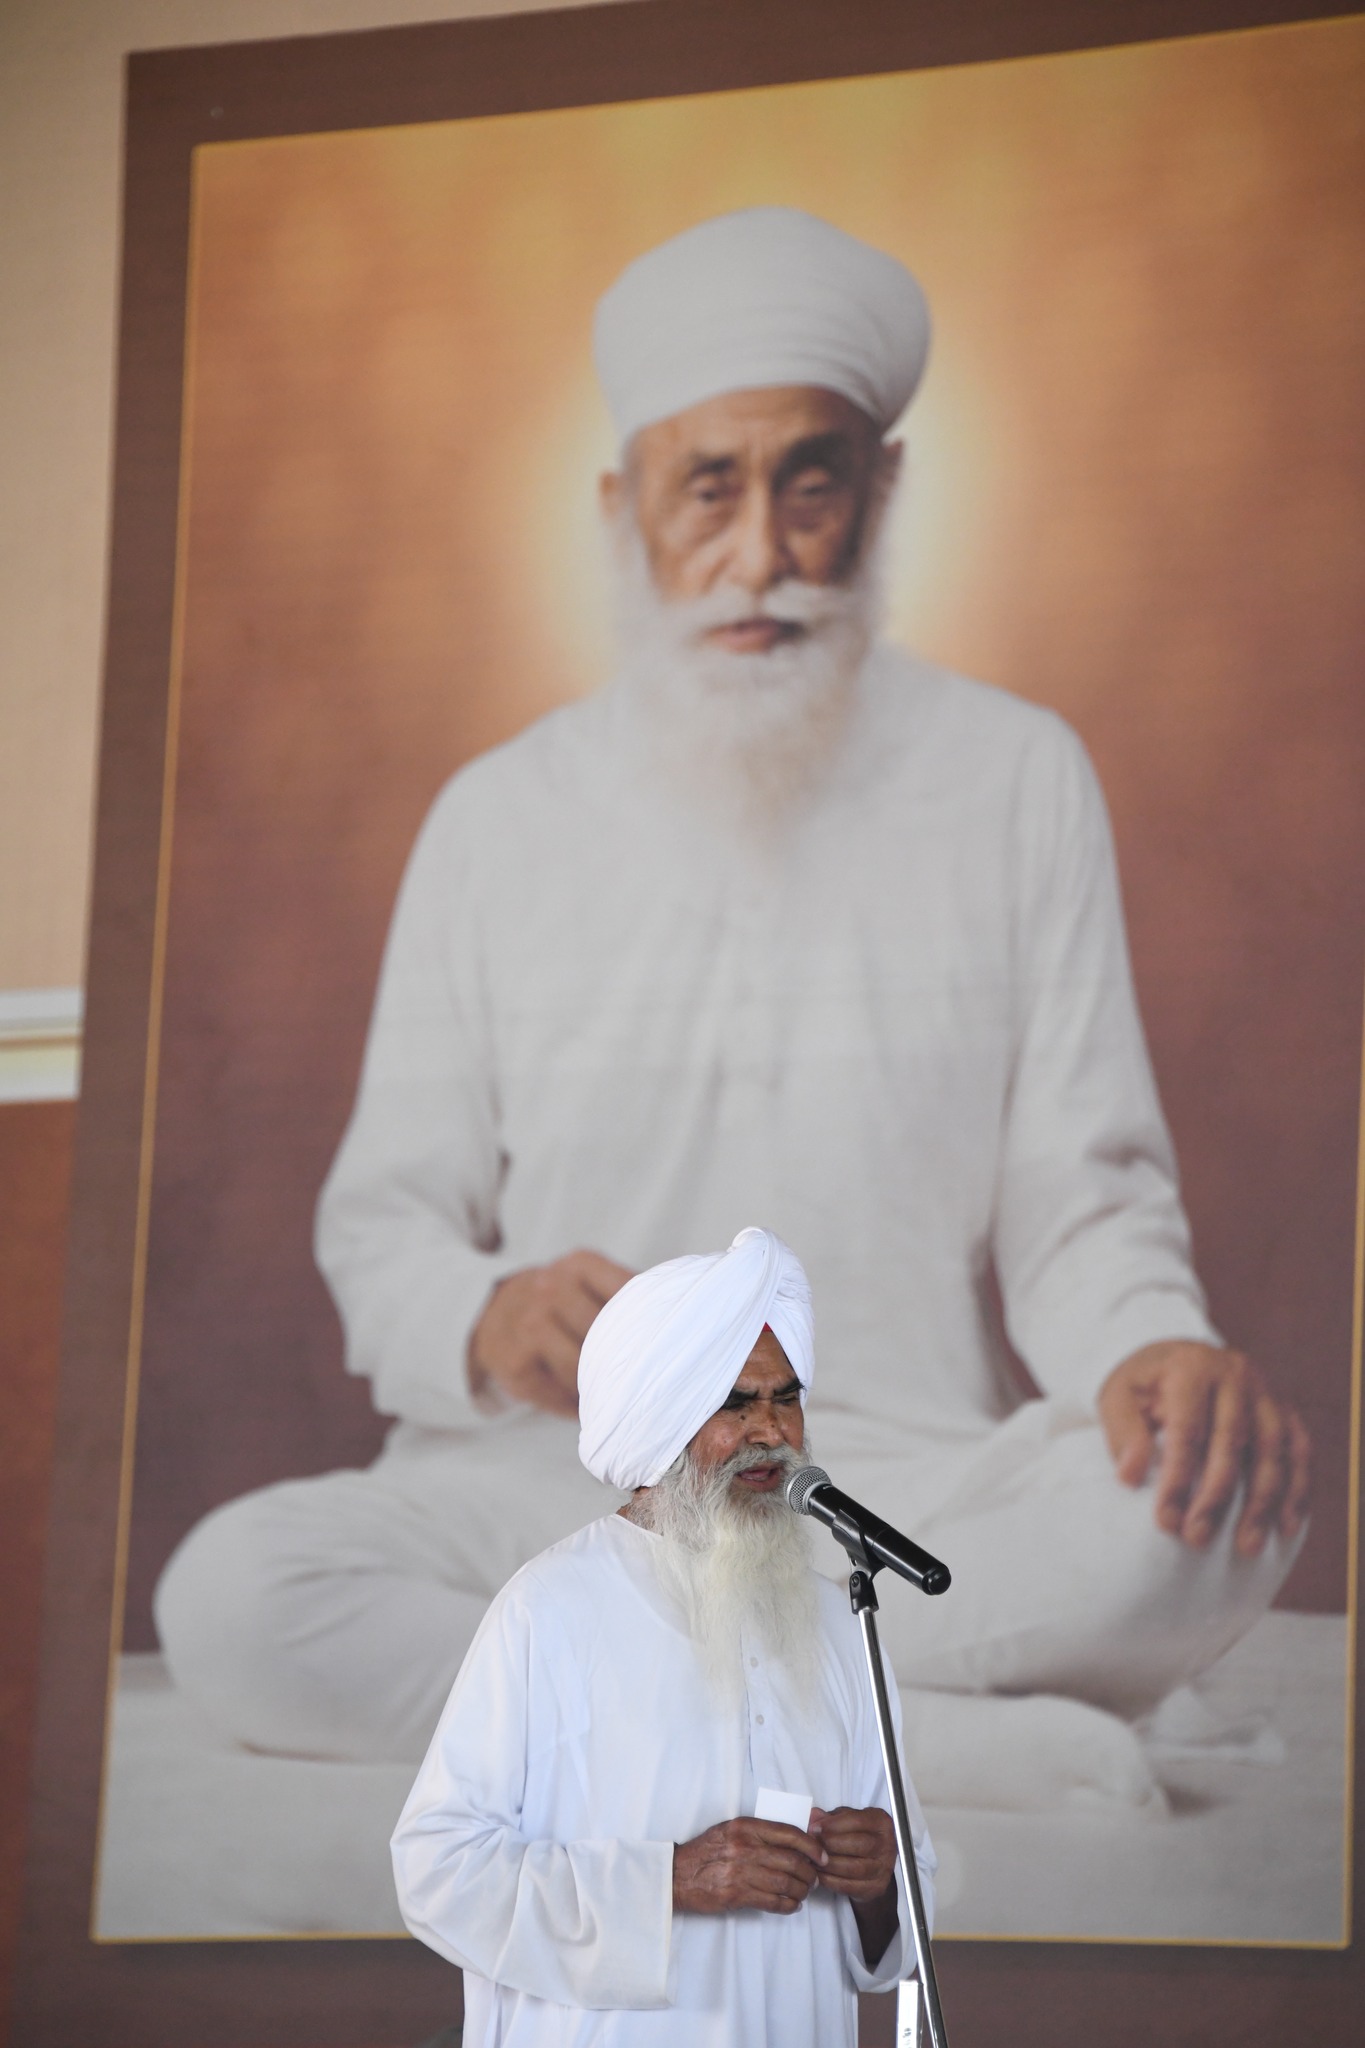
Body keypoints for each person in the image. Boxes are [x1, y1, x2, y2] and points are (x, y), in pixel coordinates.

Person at [157, 207, 1309, 1807]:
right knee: (233, 1601)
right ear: (621, 507)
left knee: (1203, 1520)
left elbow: (1081, 1201)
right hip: (560, 1487)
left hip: (885, 1484)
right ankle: (916, 1737)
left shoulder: (1013, 776)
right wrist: (487, 1318)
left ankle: (692, 1721)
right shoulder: (496, 818)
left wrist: (1151, 1347)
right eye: (708, 487)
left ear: (882, 491)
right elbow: (385, 1227)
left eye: (808, 483)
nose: (758, 554)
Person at [392, 1227, 934, 2047]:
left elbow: (900, 1916)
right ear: (660, 1419)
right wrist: (669, 1880)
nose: (771, 1433)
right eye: (733, 1404)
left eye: (784, 1399)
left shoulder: (839, 1621)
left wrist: (876, 1883)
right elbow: (438, 1870)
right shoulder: (551, 1607)